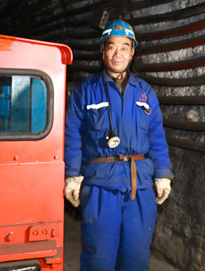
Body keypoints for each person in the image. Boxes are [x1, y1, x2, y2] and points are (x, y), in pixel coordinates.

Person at [64, 19, 174, 271]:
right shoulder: (86, 90)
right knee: (99, 260)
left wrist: (163, 175)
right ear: (102, 51)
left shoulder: (145, 92)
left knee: (135, 260)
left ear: (132, 53)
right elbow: (72, 135)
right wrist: (72, 175)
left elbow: (157, 136)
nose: (118, 53)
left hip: (140, 187)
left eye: (124, 47)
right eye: (112, 46)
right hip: (101, 186)